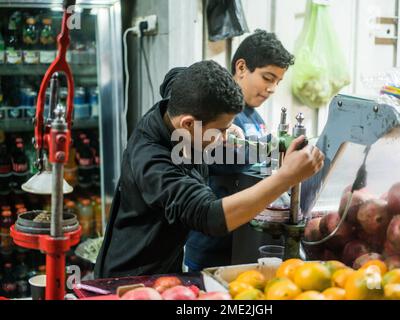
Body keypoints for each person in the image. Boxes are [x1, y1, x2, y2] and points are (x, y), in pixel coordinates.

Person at [94, 60, 324, 278]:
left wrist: (225, 125)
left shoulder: (180, 97)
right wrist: (287, 177)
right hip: (129, 280)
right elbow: (209, 216)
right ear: (187, 124)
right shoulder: (153, 163)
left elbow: (175, 76)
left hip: (169, 269)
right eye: (220, 130)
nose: (224, 138)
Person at [184, 30, 295, 271]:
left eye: (277, 81)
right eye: (267, 77)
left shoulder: (256, 118)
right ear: (242, 67)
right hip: (209, 242)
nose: (272, 88)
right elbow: (220, 157)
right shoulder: (216, 114)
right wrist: (274, 153)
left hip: (242, 238)